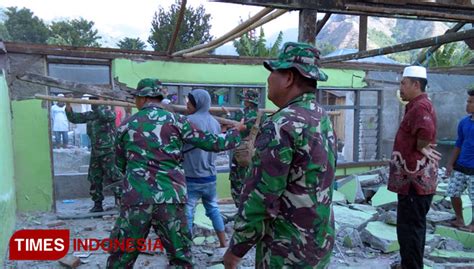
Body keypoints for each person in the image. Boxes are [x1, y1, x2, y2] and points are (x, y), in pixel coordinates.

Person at [107, 79, 245, 268]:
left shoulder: (126, 125)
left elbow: (119, 165)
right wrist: (236, 132)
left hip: (136, 199)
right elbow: (215, 143)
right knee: (180, 257)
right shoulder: (178, 121)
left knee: (121, 256)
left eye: (136, 98)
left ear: (142, 98)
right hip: (171, 199)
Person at [223, 42, 337, 268]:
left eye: (273, 72)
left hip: (286, 249)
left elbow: (261, 196)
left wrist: (237, 249)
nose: (269, 79)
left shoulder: (283, 123)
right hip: (318, 241)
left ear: (289, 78)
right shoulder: (321, 117)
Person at [388, 66, 441, 269]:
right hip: (413, 183)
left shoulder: (420, 107)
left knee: (410, 228)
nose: (400, 87)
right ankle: (409, 264)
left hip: (414, 184)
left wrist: (421, 145)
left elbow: (426, 129)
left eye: (403, 83)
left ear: (416, 85)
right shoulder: (416, 105)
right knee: (412, 227)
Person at [183, 89, 227, 247]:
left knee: (187, 212)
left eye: (190, 101)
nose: (187, 103)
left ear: (198, 103)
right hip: (210, 178)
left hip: (191, 177)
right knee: (213, 209)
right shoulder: (215, 123)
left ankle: (186, 247)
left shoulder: (187, 121)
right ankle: (223, 243)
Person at [65, 96, 122, 212]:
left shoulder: (109, 113)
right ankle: (97, 204)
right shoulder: (91, 115)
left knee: (114, 176)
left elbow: (105, 116)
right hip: (96, 152)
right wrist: (68, 105)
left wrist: (100, 103)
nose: (92, 103)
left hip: (108, 151)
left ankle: (122, 202)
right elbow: (74, 118)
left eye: (94, 100)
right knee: (94, 178)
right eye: (91, 100)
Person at [222, 89, 264, 208]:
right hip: (255, 153)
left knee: (237, 182)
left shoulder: (242, 114)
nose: (243, 101)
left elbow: (233, 127)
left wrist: (228, 115)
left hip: (241, 153)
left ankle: (240, 208)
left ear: (249, 101)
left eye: (245, 99)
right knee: (252, 182)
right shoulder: (262, 115)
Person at [445, 86, 474, 232]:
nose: (467, 104)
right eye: (467, 101)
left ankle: (473, 224)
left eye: (470, 102)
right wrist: (450, 164)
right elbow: (459, 143)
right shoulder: (464, 122)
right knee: (453, 192)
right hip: (461, 166)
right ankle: (460, 219)